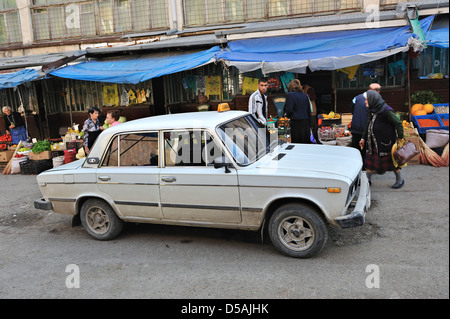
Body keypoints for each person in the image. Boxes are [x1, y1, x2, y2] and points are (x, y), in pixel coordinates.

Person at [359, 90, 405, 189]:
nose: (365, 102)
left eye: (367, 100)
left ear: (373, 100)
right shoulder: (372, 109)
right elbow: (368, 125)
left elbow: (398, 123)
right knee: (369, 164)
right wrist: (363, 138)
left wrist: (401, 137)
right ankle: (367, 181)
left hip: (385, 143)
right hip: (372, 142)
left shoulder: (386, 110)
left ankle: (399, 179)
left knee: (393, 163)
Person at [350, 83, 381, 163]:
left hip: (355, 128)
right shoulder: (376, 100)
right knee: (367, 151)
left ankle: (356, 167)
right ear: (376, 91)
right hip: (367, 130)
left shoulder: (356, 98)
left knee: (356, 151)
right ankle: (365, 168)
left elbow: (351, 109)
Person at [285, 79, 313, 144]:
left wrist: (288, 115)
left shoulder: (290, 95)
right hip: (306, 122)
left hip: (296, 122)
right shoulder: (304, 95)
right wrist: (310, 124)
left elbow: (289, 109)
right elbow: (308, 110)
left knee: (297, 143)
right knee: (305, 142)